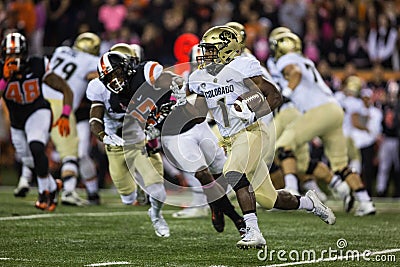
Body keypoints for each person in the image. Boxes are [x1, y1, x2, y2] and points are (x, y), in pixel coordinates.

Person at [189, 26, 335, 249]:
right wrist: (181, 103)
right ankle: (310, 203)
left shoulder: (241, 66)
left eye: (210, 49)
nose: (205, 54)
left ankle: (253, 231)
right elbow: (199, 114)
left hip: (251, 132)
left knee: (232, 171)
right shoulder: (201, 77)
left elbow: (274, 96)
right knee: (269, 199)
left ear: (225, 50)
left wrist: (253, 110)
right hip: (230, 139)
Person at [145, 44, 246, 235]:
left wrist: (182, 95)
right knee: (203, 175)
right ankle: (237, 219)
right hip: (176, 137)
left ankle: (215, 205)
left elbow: (198, 112)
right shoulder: (138, 101)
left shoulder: (184, 79)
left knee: (222, 173)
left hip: (200, 126)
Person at [273, 31, 376, 216]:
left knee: (283, 144)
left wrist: (286, 94)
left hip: (319, 111)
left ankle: (292, 190)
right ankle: (365, 201)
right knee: (340, 165)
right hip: (335, 111)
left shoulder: (286, 61)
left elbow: (294, 73)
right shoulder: (306, 60)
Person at [87, 50, 171, 238]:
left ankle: (156, 216)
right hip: (115, 142)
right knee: (128, 198)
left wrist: (172, 99)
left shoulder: (143, 75)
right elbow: (94, 119)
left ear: (127, 67)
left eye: (116, 74)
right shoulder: (100, 90)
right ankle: (139, 191)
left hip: (136, 139)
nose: (114, 81)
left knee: (158, 191)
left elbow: (171, 81)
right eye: (109, 78)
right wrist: (103, 137)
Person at [0, 32, 72, 211]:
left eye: (17, 54)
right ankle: (53, 186)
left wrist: (64, 114)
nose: (13, 58)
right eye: (10, 54)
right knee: (29, 160)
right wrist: (4, 80)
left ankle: (43, 194)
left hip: (37, 111)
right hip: (17, 121)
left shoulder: (37, 65)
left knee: (36, 147)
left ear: (24, 54)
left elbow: (65, 89)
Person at [42, 32, 101, 206]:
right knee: (70, 154)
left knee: (80, 154)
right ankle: (64, 189)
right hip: (68, 108)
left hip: (76, 111)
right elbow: (98, 75)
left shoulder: (62, 51)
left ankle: (92, 193)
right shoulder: (91, 62)